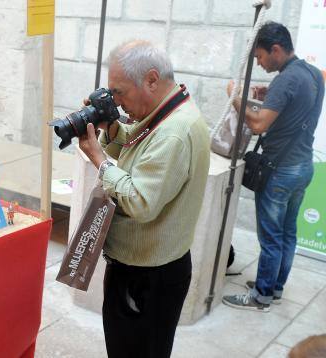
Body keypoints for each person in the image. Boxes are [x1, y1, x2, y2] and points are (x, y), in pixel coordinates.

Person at [77, 40, 210, 358]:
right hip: (147, 270)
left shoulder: (174, 132)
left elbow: (139, 202)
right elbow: (142, 150)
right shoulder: (170, 113)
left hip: (148, 279)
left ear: (151, 79)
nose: (118, 103)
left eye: (119, 92)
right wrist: (110, 130)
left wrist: (100, 159)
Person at [222, 22, 323, 312]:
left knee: (270, 237)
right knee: (288, 233)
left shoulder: (286, 80)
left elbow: (258, 125)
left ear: (275, 49)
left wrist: (235, 97)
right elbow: (297, 109)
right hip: (303, 167)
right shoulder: (313, 74)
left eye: (260, 56)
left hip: (280, 171)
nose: (259, 62)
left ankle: (261, 296)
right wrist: (272, 96)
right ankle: (275, 287)